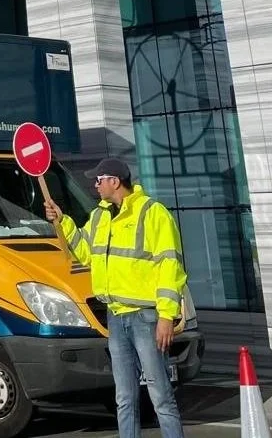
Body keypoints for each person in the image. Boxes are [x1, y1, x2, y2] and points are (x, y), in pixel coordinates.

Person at [45, 157, 187, 438]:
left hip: (146, 318)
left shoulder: (152, 213)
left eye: (98, 180)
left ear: (114, 181)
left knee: (161, 397)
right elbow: (84, 252)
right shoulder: (99, 216)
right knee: (124, 398)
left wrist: (166, 316)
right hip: (115, 316)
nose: (94, 185)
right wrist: (63, 222)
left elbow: (170, 266)